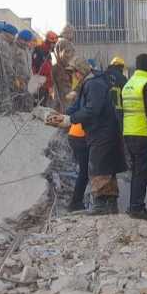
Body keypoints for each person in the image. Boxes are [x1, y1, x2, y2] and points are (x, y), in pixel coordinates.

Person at [54, 58, 127, 215]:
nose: (72, 77)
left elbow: (93, 109)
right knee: (107, 167)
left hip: (102, 132)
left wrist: (70, 120)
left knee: (98, 168)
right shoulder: (91, 82)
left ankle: (101, 204)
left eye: (73, 73)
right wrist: (62, 116)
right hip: (104, 132)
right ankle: (111, 204)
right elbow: (78, 106)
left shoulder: (93, 84)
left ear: (79, 72)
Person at [120, 53, 147, 221]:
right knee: (143, 172)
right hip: (142, 134)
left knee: (136, 172)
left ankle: (134, 206)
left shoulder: (128, 84)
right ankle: (137, 208)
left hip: (128, 134)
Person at [12, 30, 35, 111]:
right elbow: (12, 66)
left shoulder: (27, 51)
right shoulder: (14, 49)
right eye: (24, 40)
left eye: (28, 41)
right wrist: (16, 78)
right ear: (19, 39)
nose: (26, 43)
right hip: (18, 79)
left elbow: (29, 66)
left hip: (28, 79)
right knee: (19, 98)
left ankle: (28, 112)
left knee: (28, 98)